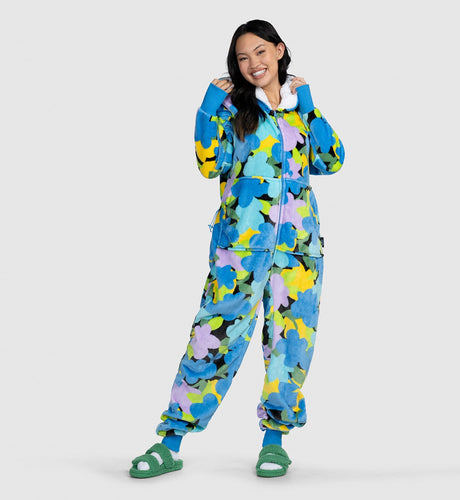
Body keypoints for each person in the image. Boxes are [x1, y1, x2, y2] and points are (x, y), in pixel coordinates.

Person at [129, 19, 345, 479]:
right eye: (243, 58)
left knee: (290, 344)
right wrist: (206, 109)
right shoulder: (232, 109)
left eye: (261, 52)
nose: (253, 64)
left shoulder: (298, 109)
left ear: (280, 50)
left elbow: (331, 160)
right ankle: (171, 441)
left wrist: (308, 106)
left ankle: (275, 442)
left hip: (299, 252)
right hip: (240, 250)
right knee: (213, 337)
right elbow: (210, 165)